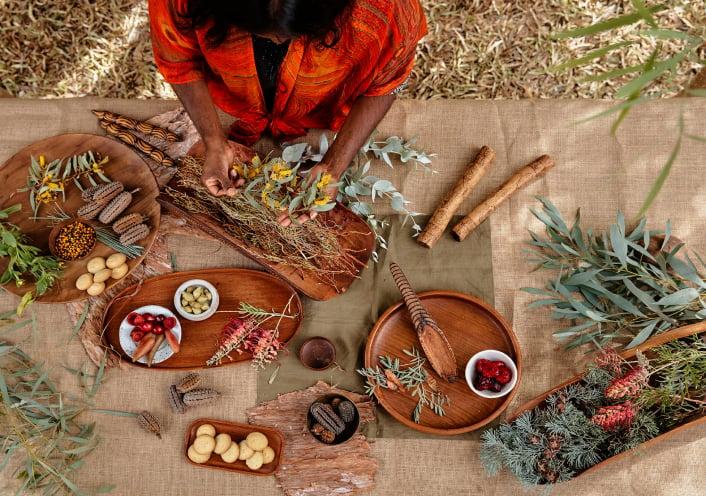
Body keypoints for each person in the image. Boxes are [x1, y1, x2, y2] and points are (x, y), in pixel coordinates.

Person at [148, 0, 427, 215]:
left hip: (321, 109)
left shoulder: (387, 8)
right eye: (259, 32)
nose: (276, 42)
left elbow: (389, 79)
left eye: (288, 34)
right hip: (233, 99)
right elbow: (178, 58)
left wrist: (334, 166)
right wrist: (214, 142)